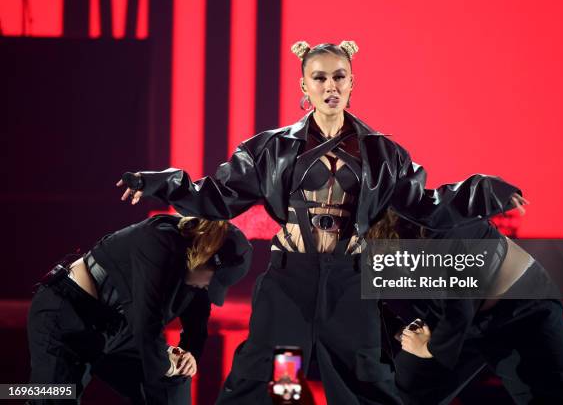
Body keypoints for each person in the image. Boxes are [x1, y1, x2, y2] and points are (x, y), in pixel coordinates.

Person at [117, 40, 527, 404]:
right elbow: (218, 196)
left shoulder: (383, 153)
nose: (330, 85)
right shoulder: (272, 148)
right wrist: (161, 183)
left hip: (349, 281)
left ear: (352, 83)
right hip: (291, 280)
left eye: (339, 76)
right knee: (279, 374)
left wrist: (485, 192)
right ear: (304, 87)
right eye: (319, 77)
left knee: (365, 379)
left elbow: (425, 204)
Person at [368, 209, 563, 404]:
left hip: (519, 309)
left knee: (559, 398)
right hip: (444, 319)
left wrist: (429, 348)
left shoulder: (429, 218)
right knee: (396, 393)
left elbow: (461, 303)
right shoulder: (353, 235)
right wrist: (397, 330)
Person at [27, 214, 252, 405]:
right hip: (68, 314)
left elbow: (197, 326)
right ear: (205, 255)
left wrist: (187, 356)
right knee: (51, 396)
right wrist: (166, 364)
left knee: (173, 382)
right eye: (210, 280)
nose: (206, 288)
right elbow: (146, 322)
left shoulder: (197, 273)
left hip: (118, 326)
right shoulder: (157, 239)